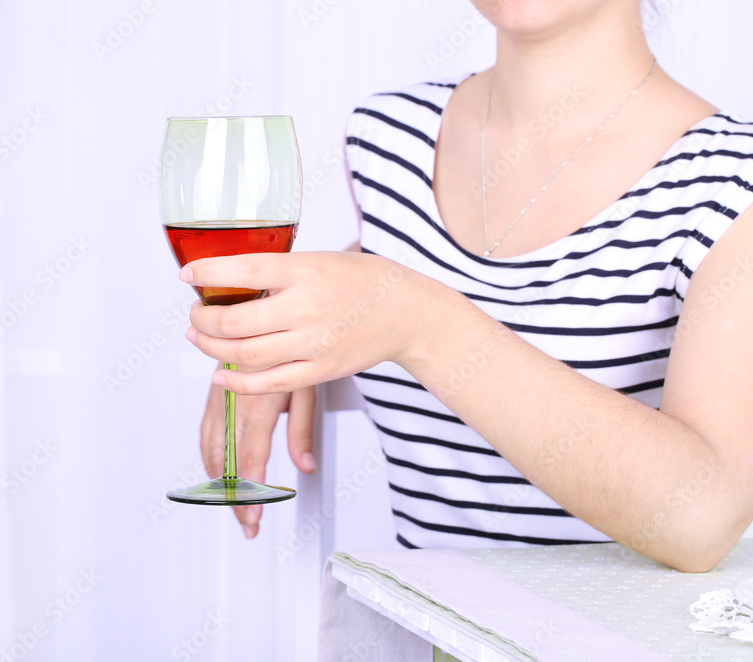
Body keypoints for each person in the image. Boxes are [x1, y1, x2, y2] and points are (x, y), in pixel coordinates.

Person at [182, 0, 753, 572]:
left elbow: (700, 520)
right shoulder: (390, 139)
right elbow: (473, 279)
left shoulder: (732, 176)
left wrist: (415, 320)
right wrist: (280, 329)